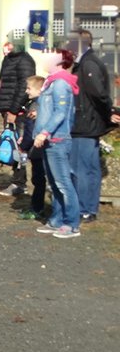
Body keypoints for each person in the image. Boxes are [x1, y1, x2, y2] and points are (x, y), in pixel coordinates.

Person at [32, 50, 82, 239]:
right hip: (49, 140)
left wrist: (45, 132)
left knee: (63, 183)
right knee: (54, 184)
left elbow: (61, 112)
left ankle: (71, 224)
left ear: (60, 62)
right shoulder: (51, 81)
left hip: (57, 140)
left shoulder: (60, 83)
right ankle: (56, 220)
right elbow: (51, 109)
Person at [69, 29, 112, 224]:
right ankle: (88, 208)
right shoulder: (85, 63)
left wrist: (106, 114)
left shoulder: (88, 64)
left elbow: (99, 95)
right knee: (90, 168)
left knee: (82, 169)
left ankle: (84, 209)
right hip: (88, 123)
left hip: (85, 124)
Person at [0, 40, 36, 197]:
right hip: (6, 108)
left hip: (18, 111)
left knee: (20, 146)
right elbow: (0, 85)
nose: (6, 47)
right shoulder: (8, 60)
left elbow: (24, 87)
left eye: (10, 44)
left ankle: (20, 183)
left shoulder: (25, 61)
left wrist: (14, 110)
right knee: (12, 145)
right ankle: (17, 180)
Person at [17, 75, 48, 221]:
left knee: (38, 180)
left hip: (38, 149)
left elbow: (30, 130)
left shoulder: (35, 106)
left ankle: (37, 208)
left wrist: (23, 146)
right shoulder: (43, 105)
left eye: (29, 88)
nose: (26, 91)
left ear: (40, 90)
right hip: (42, 148)